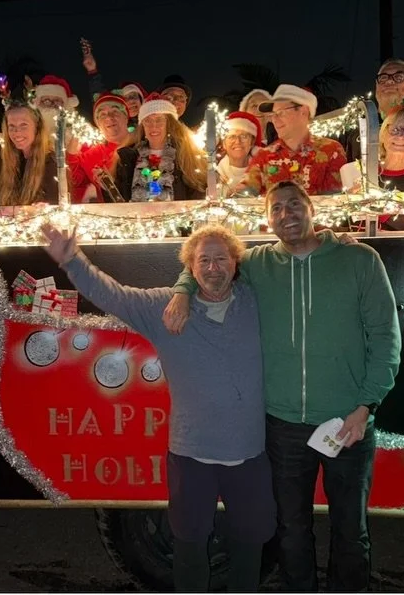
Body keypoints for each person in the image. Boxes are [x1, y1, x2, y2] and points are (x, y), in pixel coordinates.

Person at [163, 181, 401, 592]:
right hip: (283, 425)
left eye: (294, 204)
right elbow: (204, 261)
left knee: (350, 530)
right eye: (276, 208)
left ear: (311, 208)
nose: (286, 214)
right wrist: (183, 292)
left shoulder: (360, 260)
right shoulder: (255, 263)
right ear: (267, 218)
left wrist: (366, 406)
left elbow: (385, 337)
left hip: (348, 420)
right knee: (291, 529)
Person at [41, 222, 275, 593]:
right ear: (190, 266)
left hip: (248, 453)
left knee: (251, 545)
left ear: (235, 262)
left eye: (221, 259)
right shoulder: (164, 308)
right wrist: (73, 261)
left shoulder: (256, 301)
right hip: (191, 453)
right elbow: (114, 295)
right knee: (189, 546)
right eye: (204, 260)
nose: (213, 267)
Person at [238, 84, 347, 195]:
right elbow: (245, 192)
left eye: (280, 113)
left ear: (303, 111)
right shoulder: (264, 156)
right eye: (272, 114)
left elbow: (335, 200)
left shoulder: (331, 151)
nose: (274, 119)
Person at [115, 93, 207, 201]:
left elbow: (198, 191)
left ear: (169, 123)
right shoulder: (128, 157)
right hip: (138, 216)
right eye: (147, 120)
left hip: (177, 216)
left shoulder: (185, 154)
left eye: (159, 120)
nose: (153, 126)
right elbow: (119, 198)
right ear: (142, 126)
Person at [67, 93, 135, 202]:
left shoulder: (142, 145)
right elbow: (74, 181)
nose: (109, 117)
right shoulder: (91, 155)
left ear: (126, 117)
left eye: (115, 112)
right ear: (98, 123)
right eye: (102, 114)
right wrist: (72, 153)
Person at [0, 102, 60, 205]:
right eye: (12, 126)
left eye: (24, 125)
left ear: (37, 128)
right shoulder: (13, 160)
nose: (17, 132)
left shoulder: (51, 164)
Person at [217, 111, 266, 192]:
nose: (237, 141)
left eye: (243, 136)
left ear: (252, 142)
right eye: (232, 136)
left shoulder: (265, 169)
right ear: (224, 143)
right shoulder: (215, 173)